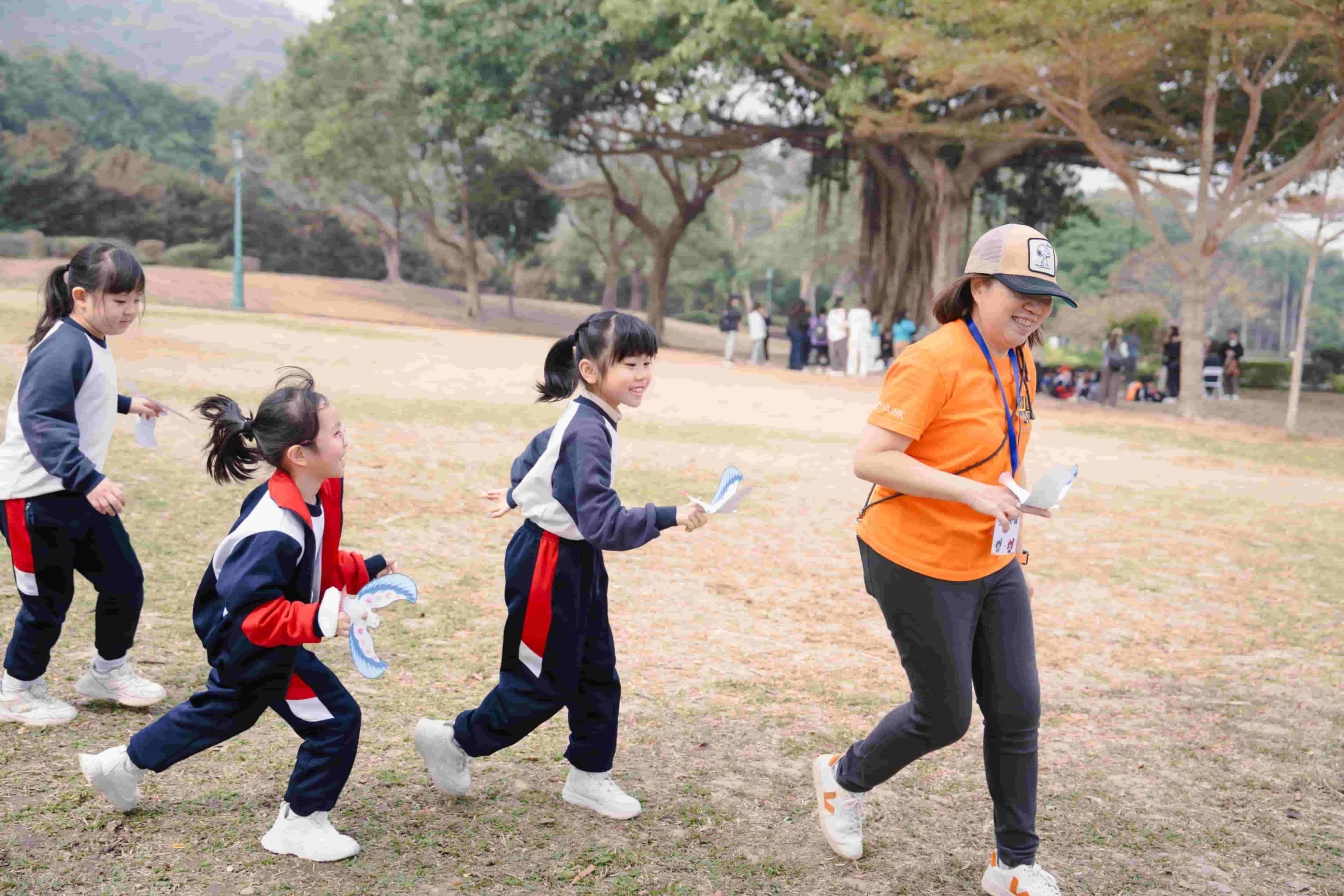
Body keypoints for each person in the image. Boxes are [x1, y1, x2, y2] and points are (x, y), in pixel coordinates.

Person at [812, 223, 1075, 896]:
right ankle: (844, 778)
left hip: (991, 557)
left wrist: (1016, 517)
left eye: (1045, 298)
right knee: (945, 716)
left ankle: (1013, 864)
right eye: (1020, 292)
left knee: (1018, 708)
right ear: (978, 286)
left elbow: (1004, 453)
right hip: (913, 558)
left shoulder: (1020, 359)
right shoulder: (932, 360)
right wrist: (971, 493)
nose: (1034, 309)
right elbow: (871, 459)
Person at [79, 369, 397, 862]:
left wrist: (363, 569)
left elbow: (315, 562)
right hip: (249, 638)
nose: (345, 441)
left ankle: (118, 766)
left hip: (261, 636)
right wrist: (321, 618)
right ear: (299, 454)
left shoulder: (318, 491)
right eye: (336, 433)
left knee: (227, 709)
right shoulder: (274, 526)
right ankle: (300, 824)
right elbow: (256, 614)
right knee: (335, 721)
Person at [415, 311, 710, 822]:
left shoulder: (590, 415)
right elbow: (602, 522)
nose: (642, 375)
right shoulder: (589, 429)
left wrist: (517, 492)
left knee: (597, 671)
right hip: (549, 563)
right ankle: (455, 740)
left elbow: (540, 452)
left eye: (648, 362)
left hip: (575, 558)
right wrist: (670, 516)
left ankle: (589, 775)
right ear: (591, 371)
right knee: (541, 681)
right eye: (630, 364)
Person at [0, 243, 168, 726]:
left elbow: (82, 391)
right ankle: (16, 690)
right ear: (81, 296)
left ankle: (107, 672)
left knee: (123, 580)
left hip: (74, 490)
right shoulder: (64, 345)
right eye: (119, 300)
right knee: (47, 600)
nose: (130, 311)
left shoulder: (88, 338)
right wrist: (89, 477)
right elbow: (42, 419)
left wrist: (126, 403)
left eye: (136, 300)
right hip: (34, 496)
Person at [1100, 327, 1128, 407]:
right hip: (1117, 366)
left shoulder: (1106, 343)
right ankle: (1111, 403)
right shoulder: (1122, 344)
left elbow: (1103, 352)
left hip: (1106, 364)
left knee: (1104, 384)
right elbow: (1125, 355)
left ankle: (1102, 401)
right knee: (1114, 385)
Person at [847, 298, 873, 377]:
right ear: (864, 304)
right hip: (864, 335)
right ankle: (863, 371)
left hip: (853, 335)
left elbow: (849, 326)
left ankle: (851, 370)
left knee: (853, 353)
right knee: (864, 353)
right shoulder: (866, 312)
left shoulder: (851, 312)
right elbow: (868, 327)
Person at [1218, 328, 1244, 400]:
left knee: (1234, 379)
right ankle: (1226, 393)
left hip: (1235, 365)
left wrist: (1234, 355)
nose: (1231, 335)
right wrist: (1226, 357)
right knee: (1226, 379)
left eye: (1233, 334)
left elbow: (1240, 354)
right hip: (1226, 364)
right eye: (1230, 334)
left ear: (1235, 335)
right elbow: (1220, 354)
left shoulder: (1239, 345)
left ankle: (1234, 393)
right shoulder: (1225, 344)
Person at [827, 297, 849, 376]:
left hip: (832, 335)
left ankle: (834, 369)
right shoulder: (843, 311)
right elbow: (844, 324)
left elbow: (828, 324)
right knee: (842, 353)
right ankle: (842, 369)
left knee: (833, 354)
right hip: (841, 335)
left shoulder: (831, 312)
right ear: (841, 303)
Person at [786, 300, 810, 370]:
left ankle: (792, 364)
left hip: (791, 332)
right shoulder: (803, 313)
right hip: (798, 332)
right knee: (798, 349)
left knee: (793, 349)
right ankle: (797, 365)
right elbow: (804, 324)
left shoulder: (793, 312)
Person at [718, 296, 742, 364]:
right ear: (732, 302)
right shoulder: (731, 310)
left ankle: (729, 357)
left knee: (731, 343)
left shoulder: (731, 310)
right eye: (736, 301)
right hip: (731, 328)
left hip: (732, 328)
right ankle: (728, 357)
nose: (737, 303)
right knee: (730, 343)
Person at [809, 304, 830, 372]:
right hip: (825, 341)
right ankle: (823, 366)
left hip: (815, 340)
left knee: (816, 353)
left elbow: (811, 328)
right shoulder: (827, 319)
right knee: (824, 354)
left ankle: (816, 366)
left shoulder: (813, 319)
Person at [1162, 326, 1181, 399]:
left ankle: (1174, 394)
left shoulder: (1178, 340)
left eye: (1169, 330)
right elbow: (1165, 350)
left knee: (1174, 379)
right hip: (1170, 363)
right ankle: (1172, 394)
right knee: (1170, 379)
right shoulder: (1169, 340)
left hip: (1175, 363)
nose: (1168, 331)